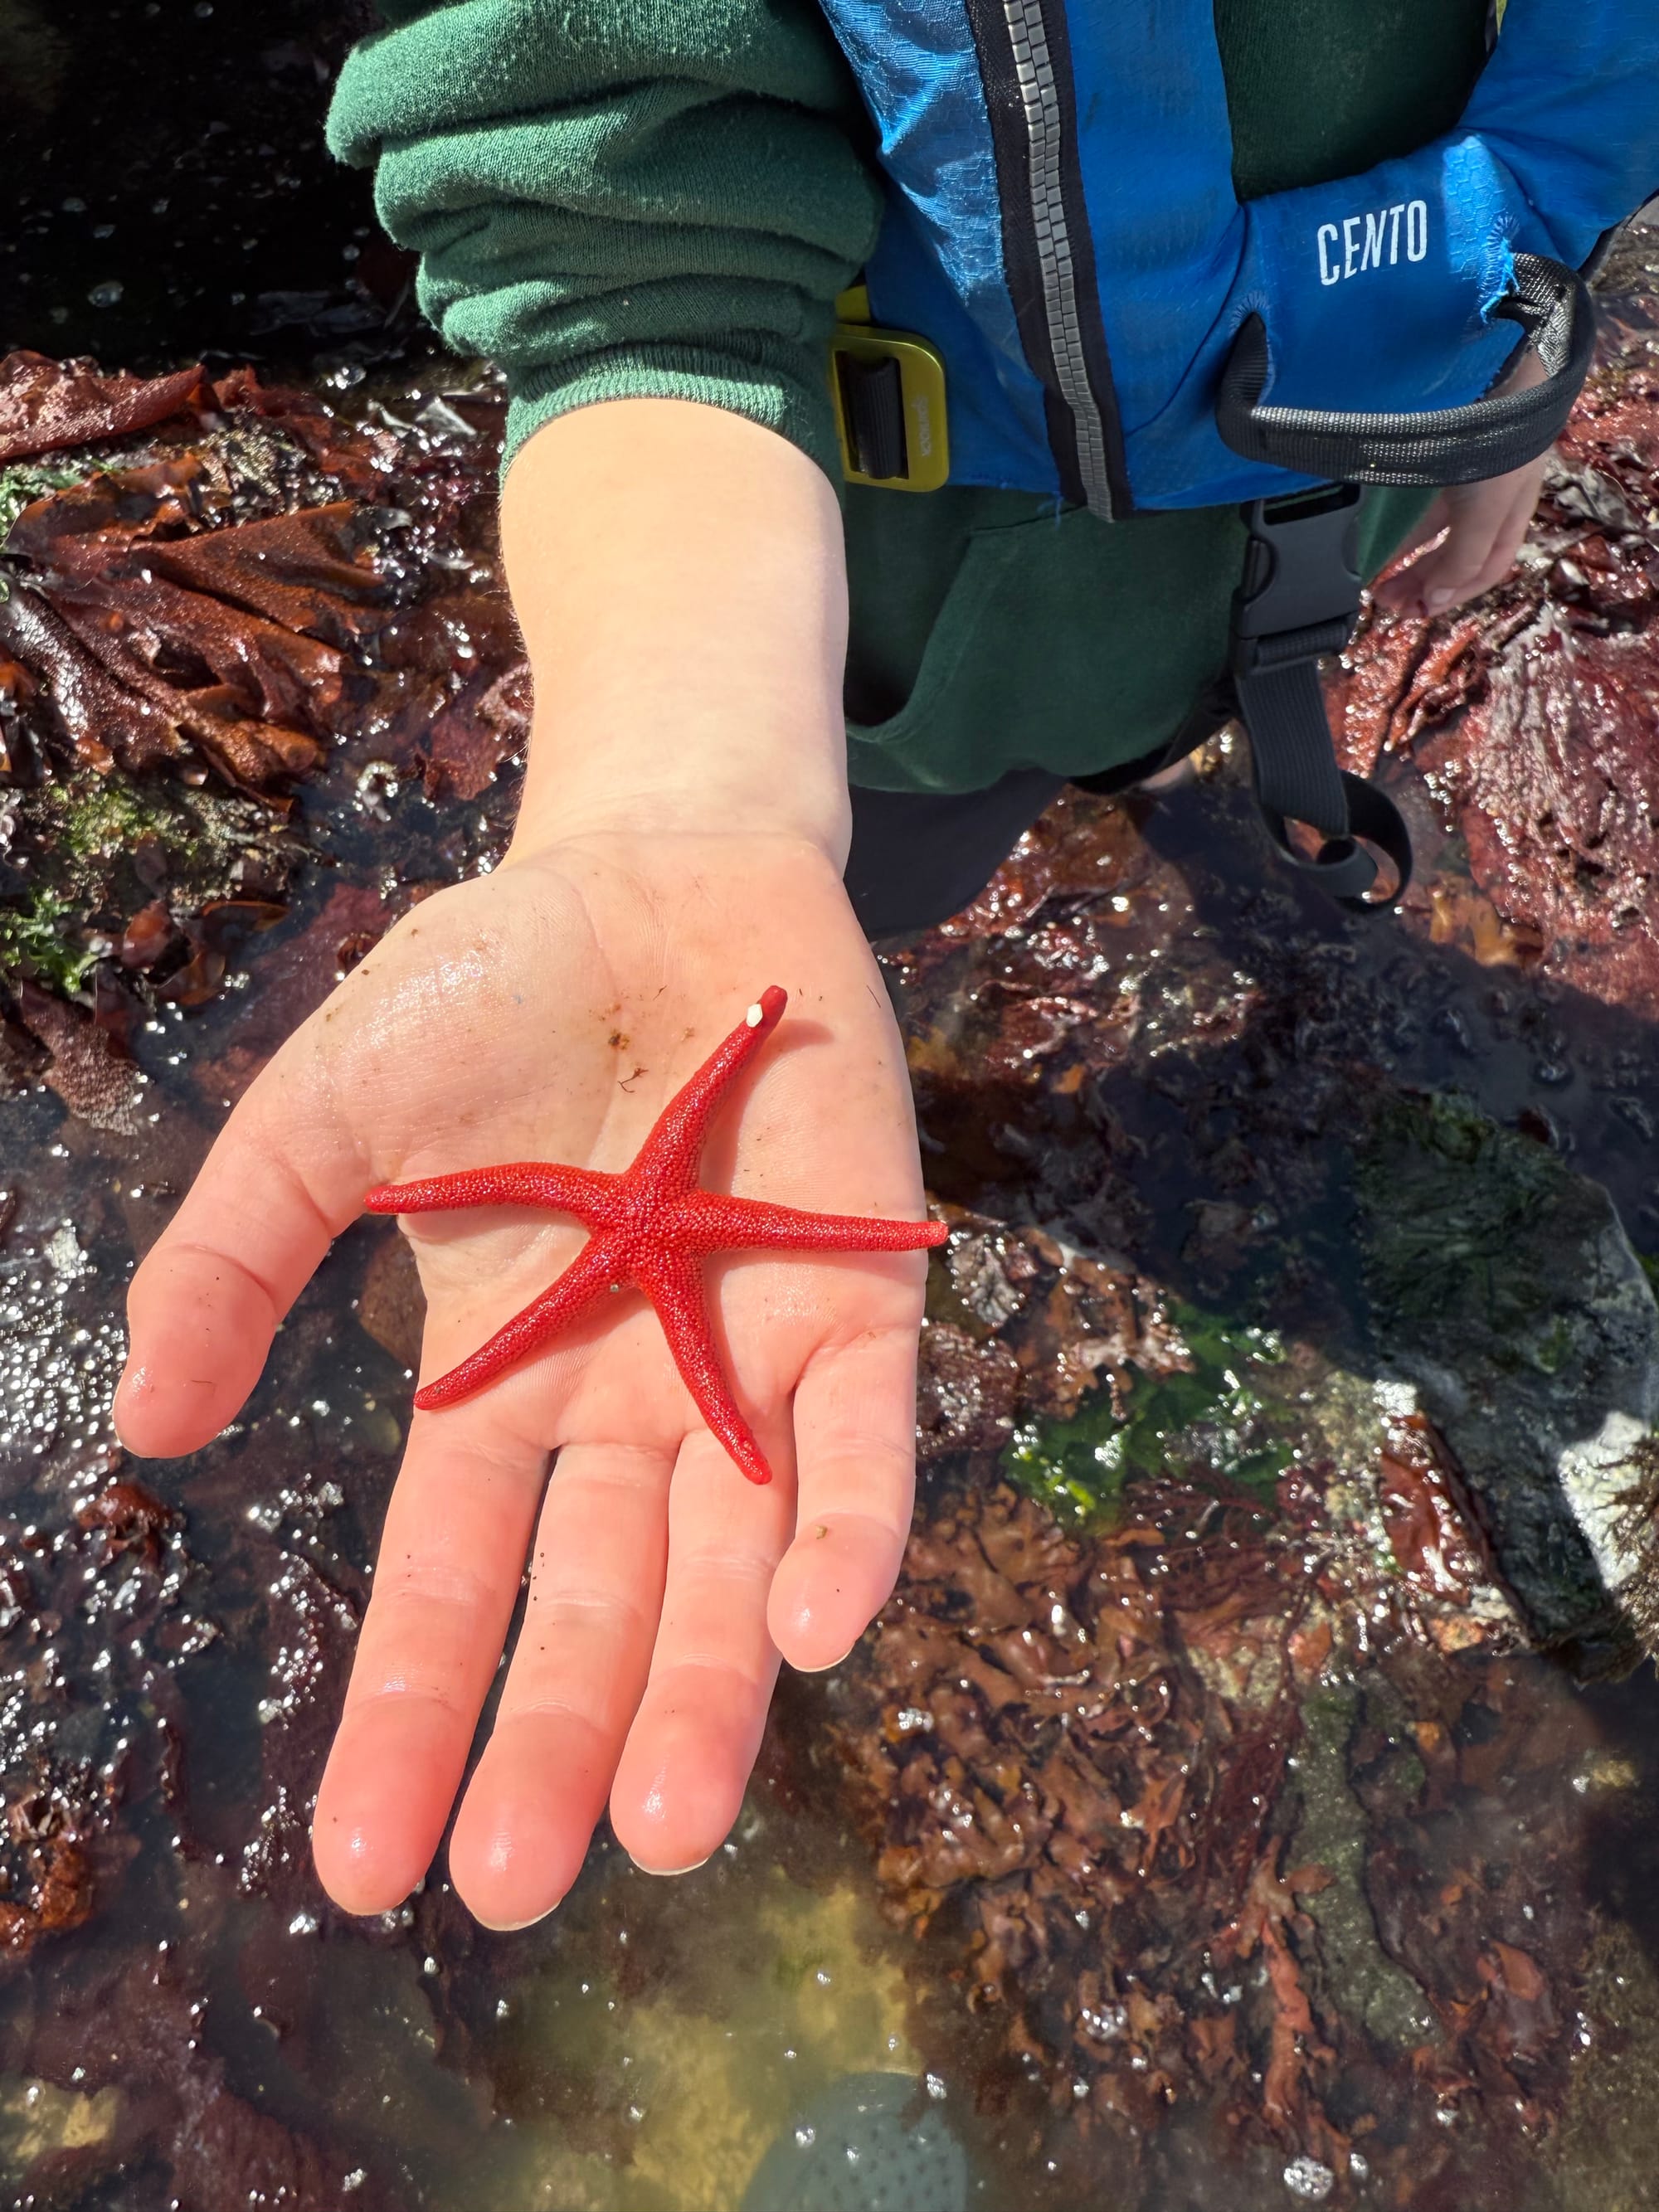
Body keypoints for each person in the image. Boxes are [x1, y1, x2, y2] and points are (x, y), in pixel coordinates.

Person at [109, 0, 1624, 1931]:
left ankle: (1131, 764)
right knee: (870, 881)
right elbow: (617, 198)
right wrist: (680, 795)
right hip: (859, 632)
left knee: (1153, 738)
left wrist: (1508, 360)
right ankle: (860, 973)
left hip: (1309, 489)